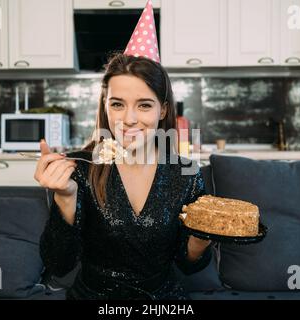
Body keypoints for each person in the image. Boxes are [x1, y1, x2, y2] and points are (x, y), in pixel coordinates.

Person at [34, 1, 212, 300]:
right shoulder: (82, 168)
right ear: (105, 108)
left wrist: (203, 236)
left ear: (162, 110)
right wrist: (65, 199)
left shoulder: (185, 172)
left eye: (144, 105)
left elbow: (189, 265)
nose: (129, 118)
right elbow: (58, 265)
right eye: (117, 104)